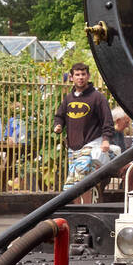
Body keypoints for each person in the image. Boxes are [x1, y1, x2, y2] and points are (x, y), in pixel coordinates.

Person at [53, 62, 114, 204]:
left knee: (78, 179)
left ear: (88, 76)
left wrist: (106, 139)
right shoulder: (68, 99)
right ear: (71, 77)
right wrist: (58, 125)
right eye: (77, 75)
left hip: (91, 145)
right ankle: (81, 209)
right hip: (73, 147)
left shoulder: (97, 97)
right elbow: (59, 116)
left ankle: (80, 208)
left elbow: (107, 120)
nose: (80, 77)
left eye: (83, 74)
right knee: (77, 182)